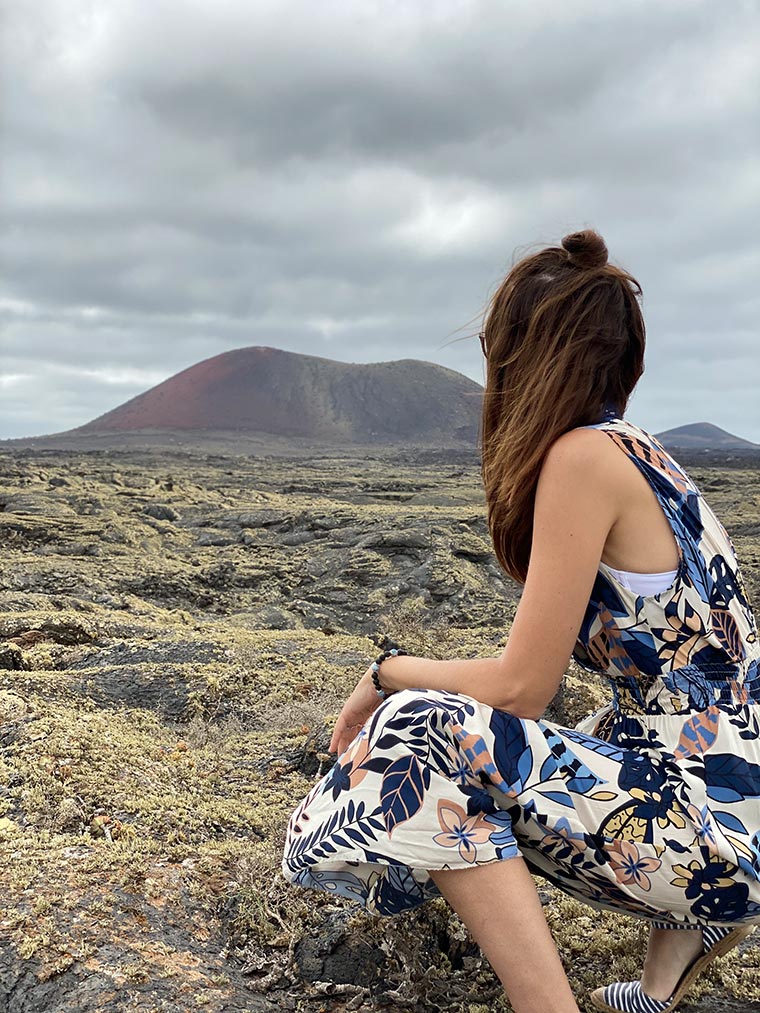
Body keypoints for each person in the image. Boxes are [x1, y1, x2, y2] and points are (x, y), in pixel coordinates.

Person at [280, 229, 760, 1013]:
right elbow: (702, 682)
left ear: (525, 355)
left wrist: (384, 673)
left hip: (716, 823)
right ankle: (672, 961)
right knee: (608, 718)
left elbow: (521, 686)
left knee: (422, 729)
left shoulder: (579, 458)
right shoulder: (646, 455)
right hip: (738, 791)